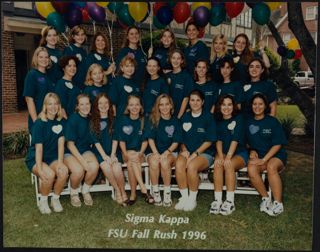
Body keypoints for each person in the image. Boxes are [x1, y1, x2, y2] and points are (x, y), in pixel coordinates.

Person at [25, 93, 69, 214]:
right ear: (45, 106)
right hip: (36, 158)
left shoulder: (62, 122)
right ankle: (43, 200)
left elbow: (61, 144)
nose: (53, 107)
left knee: (63, 171)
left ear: (59, 106)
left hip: (52, 158)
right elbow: (39, 149)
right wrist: (39, 169)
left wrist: (60, 163)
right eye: (50, 104)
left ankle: (55, 199)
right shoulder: (39, 123)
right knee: (48, 175)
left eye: (56, 104)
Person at [175, 90, 217, 211]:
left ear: (203, 102)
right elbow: (180, 138)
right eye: (192, 100)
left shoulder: (208, 117)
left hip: (205, 153)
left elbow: (209, 140)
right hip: (187, 151)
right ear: (189, 102)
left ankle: (192, 199)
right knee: (179, 164)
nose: (195, 103)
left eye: (198, 100)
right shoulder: (185, 117)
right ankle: (184, 197)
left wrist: (195, 154)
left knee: (192, 166)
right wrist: (184, 149)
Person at [246, 93, 287, 216]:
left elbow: (278, 144)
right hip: (260, 157)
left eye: (260, 104)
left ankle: (278, 203)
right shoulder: (248, 122)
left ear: (265, 106)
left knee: (271, 167)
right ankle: (265, 198)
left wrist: (264, 159)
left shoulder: (272, 121)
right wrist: (251, 150)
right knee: (251, 169)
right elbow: (245, 142)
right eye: (255, 104)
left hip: (276, 155)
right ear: (251, 106)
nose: (257, 106)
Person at [210, 94, 247, 215]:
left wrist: (228, 157)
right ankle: (218, 200)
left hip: (239, 153)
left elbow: (235, 139)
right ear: (219, 106)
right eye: (223, 104)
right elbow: (218, 140)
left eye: (229, 104)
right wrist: (220, 155)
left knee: (229, 165)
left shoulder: (239, 118)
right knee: (218, 164)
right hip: (224, 152)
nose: (226, 107)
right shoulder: (217, 120)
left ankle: (230, 202)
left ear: (234, 106)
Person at [90, 93, 128, 206]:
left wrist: (112, 154)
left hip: (114, 151)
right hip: (100, 152)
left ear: (110, 105)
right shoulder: (93, 121)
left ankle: (123, 191)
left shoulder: (115, 120)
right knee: (106, 167)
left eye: (106, 102)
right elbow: (95, 141)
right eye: (100, 103)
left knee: (116, 168)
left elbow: (116, 138)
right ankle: (117, 190)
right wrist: (104, 156)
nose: (103, 105)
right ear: (96, 105)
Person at [146, 94, 182, 206]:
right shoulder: (153, 119)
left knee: (165, 162)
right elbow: (150, 139)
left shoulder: (176, 121)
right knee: (154, 161)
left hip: (171, 152)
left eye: (167, 104)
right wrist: (156, 153)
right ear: (158, 106)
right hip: (154, 151)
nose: (164, 107)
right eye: (161, 104)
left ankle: (167, 193)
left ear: (171, 106)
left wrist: (166, 152)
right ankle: (156, 192)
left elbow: (176, 142)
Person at [117, 95, 154, 205]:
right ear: (127, 107)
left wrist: (141, 153)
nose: (134, 107)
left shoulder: (144, 120)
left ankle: (133, 195)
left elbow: (145, 141)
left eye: (137, 104)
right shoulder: (122, 120)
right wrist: (125, 154)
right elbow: (121, 141)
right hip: (125, 152)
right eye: (131, 104)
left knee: (131, 163)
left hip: (140, 152)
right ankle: (143, 189)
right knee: (131, 157)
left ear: (141, 106)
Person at [64, 94, 100, 207]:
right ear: (77, 106)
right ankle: (74, 192)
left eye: (87, 104)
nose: (85, 106)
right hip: (70, 151)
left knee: (94, 167)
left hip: (84, 149)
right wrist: (83, 162)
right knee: (78, 170)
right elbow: (70, 145)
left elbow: (94, 139)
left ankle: (85, 190)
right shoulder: (73, 119)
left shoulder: (91, 119)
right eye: (82, 104)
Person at [23, 46, 55, 131]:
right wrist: (36, 121)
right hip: (38, 119)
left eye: (46, 57)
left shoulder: (50, 76)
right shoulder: (32, 75)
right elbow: (29, 99)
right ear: (36, 58)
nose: (44, 59)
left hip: (50, 119)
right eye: (41, 57)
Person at [166, 49, 194, 119]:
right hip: (166, 114)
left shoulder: (187, 77)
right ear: (170, 59)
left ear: (182, 61)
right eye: (173, 58)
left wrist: (179, 117)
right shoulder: (166, 76)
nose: (175, 61)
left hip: (180, 115)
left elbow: (186, 98)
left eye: (178, 58)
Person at [63, 25, 87, 89]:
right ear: (73, 36)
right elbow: (64, 69)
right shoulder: (69, 49)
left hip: (83, 84)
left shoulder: (84, 52)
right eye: (77, 35)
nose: (80, 37)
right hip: (72, 84)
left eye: (82, 34)